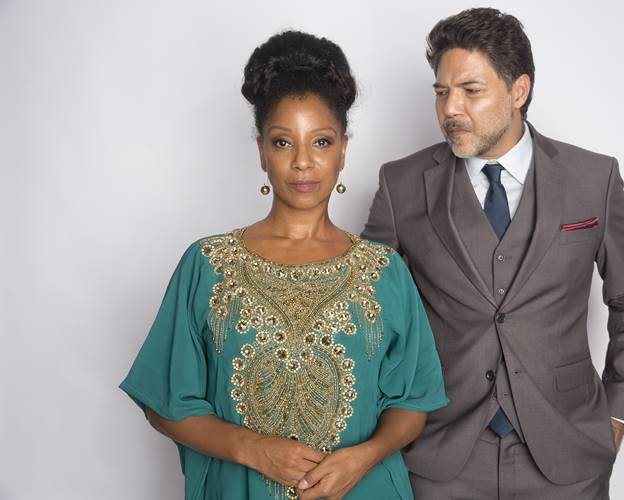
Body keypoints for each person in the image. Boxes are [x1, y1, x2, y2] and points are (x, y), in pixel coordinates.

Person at [120, 30, 447, 500]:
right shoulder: (207, 265)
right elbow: (164, 401)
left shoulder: (384, 272)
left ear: (343, 150)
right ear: (261, 151)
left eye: (321, 142)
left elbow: (414, 400)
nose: (302, 163)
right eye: (282, 143)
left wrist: (364, 457)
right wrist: (252, 449)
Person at [362, 8, 624, 499]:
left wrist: (618, 416)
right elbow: (366, 314)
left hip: (569, 453)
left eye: (470, 91)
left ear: (518, 91)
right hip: (440, 455)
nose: (450, 109)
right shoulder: (401, 184)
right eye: (441, 92)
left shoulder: (593, 178)